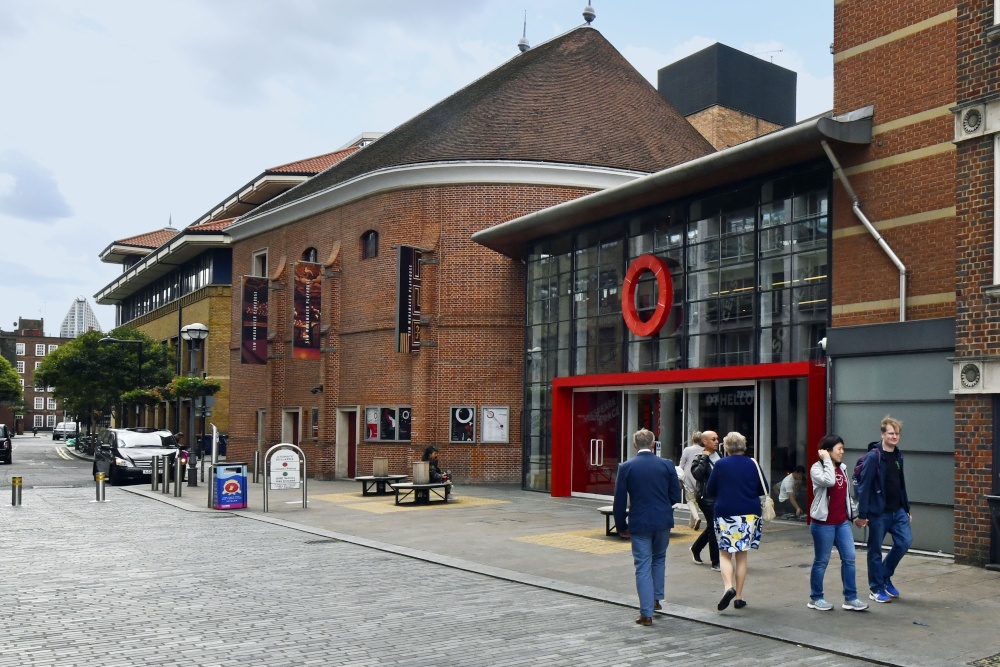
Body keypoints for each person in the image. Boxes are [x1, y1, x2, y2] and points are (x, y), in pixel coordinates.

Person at [612, 428, 682, 627]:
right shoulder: (667, 464)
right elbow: (675, 497)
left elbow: (619, 500)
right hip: (662, 520)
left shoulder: (626, 467)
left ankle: (646, 614)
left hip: (640, 521)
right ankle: (656, 599)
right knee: (659, 558)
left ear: (635, 445)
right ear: (653, 444)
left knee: (642, 565)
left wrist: (621, 525)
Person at [705, 431, 767, 611]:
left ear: (727, 447)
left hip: (726, 512)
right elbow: (764, 488)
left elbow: (710, 490)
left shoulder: (720, 464)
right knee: (742, 555)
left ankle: (727, 588)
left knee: (725, 553)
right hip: (749, 514)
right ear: (743, 445)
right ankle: (739, 597)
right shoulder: (752, 463)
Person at [807, 434, 869, 612]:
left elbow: (846, 497)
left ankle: (851, 598)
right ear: (827, 451)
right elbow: (829, 481)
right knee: (821, 561)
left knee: (849, 558)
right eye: (839, 449)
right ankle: (816, 598)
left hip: (841, 523)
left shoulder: (842, 468)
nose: (842, 452)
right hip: (823, 524)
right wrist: (826, 460)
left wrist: (855, 516)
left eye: (843, 448)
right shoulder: (816, 469)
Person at [856, 415, 911, 604]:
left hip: (898, 511)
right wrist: (862, 514)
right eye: (891, 433)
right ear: (882, 434)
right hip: (879, 513)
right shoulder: (874, 456)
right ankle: (876, 588)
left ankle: (885, 577)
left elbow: (901, 483)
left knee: (904, 542)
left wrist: (907, 508)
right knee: (875, 551)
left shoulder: (898, 454)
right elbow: (864, 486)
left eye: (897, 433)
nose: (894, 436)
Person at [688, 430, 721, 571]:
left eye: (717, 438)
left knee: (711, 527)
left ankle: (696, 548)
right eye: (713, 439)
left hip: (720, 496)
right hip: (706, 498)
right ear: (704, 442)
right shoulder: (699, 457)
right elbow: (697, 475)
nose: (716, 441)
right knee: (714, 527)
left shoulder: (720, 455)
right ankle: (716, 561)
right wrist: (704, 458)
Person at [677, 430, 704, 529]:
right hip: (700, 476)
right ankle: (692, 523)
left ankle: (696, 518)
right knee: (696, 500)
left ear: (692, 439)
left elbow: (682, 464)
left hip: (689, 476)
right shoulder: (704, 450)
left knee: (690, 500)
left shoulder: (687, 450)